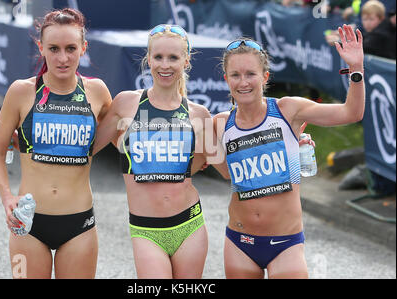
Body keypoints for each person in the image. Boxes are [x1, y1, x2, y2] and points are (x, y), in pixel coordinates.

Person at [212, 24, 364, 278]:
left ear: (265, 77)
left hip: (286, 244)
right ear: (226, 79)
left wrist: (356, 69)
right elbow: (227, 173)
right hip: (239, 242)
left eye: (251, 73)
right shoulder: (219, 124)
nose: (243, 82)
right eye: (235, 75)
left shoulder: (288, 110)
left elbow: (352, 113)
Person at [93, 24, 225, 278]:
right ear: (148, 59)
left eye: (173, 58)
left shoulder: (198, 114)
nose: (165, 65)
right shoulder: (126, 104)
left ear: (186, 61)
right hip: (146, 230)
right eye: (159, 57)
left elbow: (227, 171)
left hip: (190, 225)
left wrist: (287, 142)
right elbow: (87, 149)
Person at [0, 8, 112, 278]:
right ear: (40, 47)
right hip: (28, 224)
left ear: (83, 48)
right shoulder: (21, 91)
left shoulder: (97, 91)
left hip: (80, 223)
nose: (63, 58)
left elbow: (116, 136)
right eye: (54, 48)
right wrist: (7, 197)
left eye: (71, 48)